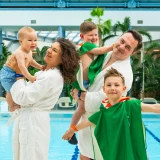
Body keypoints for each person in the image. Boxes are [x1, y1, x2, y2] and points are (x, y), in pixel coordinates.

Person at [70, 30, 143, 160]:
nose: (121, 47)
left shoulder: (124, 73)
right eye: (122, 41)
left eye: (127, 47)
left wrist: (80, 94)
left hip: (102, 123)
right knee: (84, 155)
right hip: (86, 120)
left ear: (133, 53)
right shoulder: (105, 54)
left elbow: (103, 101)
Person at [63, 67, 160, 160]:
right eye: (109, 85)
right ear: (104, 89)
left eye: (116, 85)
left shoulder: (130, 104)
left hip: (131, 149)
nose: (112, 88)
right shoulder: (104, 109)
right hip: (115, 151)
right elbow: (88, 121)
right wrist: (72, 130)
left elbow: (154, 107)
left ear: (124, 88)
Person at [7, 37, 79, 160]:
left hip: (33, 122)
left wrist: (19, 74)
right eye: (51, 47)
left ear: (63, 59)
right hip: (32, 119)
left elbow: (23, 97)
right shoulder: (44, 74)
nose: (49, 50)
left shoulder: (50, 77)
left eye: (55, 50)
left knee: (31, 156)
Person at [67, 21, 113, 144]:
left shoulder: (86, 47)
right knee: (82, 109)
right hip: (81, 83)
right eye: (90, 35)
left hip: (84, 84)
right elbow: (100, 51)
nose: (94, 38)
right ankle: (72, 131)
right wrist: (113, 47)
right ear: (82, 37)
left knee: (82, 109)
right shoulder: (86, 46)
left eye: (95, 34)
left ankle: (73, 131)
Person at [0, 26, 43, 112]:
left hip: (16, 73)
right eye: (30, 40)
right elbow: (21, 66)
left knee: (18, 90)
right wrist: (30, 77)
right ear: (21, 41)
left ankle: (17, 103)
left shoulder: (29, 52)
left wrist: (40, 67)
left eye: (35, 40)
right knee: (11, 91)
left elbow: (31, 61)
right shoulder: (19, 52)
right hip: (8, 74)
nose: (33, 43)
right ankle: (11, 106)